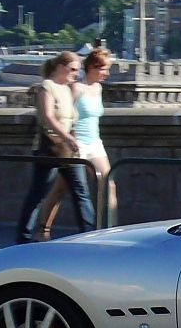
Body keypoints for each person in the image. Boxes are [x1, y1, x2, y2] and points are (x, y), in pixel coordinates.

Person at [14, 52, 95, 243]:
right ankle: (23, 236)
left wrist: (72, 139)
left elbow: (70, 118)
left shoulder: (66, 89)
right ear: (60, 66)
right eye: (73, 69)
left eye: (78, 70)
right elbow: (48, 117)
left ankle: (90, 233)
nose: (76, 74)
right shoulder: (47, 87)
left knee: (81, 192)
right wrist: (67, 137)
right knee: (38, 193)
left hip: (68, 149)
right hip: (49, 148)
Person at [34, 48, 114, 238]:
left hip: (95, 142)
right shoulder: (77, 88)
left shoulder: (98, 89)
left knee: (109, 182)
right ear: (93, 67)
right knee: (61, 189)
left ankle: (110, 229)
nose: (107, 74)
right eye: (104, 69)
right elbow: (64, 112)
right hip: (76, 143)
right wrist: (67, 137)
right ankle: (43, 229)